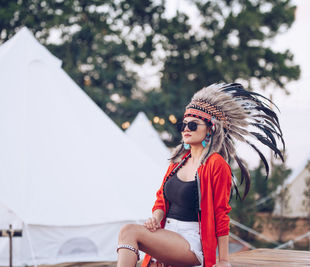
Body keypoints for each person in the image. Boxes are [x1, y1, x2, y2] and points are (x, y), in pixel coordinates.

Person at [116, 83, 284, 267]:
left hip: (191, 242)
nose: (186, 128)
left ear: (210, 129)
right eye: (184, 124)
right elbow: (161, 201)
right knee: (127, 233)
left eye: (193, 124)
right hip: (166, 233)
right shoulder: (177, 162)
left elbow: (221, 213)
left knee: (128, 231)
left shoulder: (216, 164)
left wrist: (224, 260)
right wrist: (155, 219)